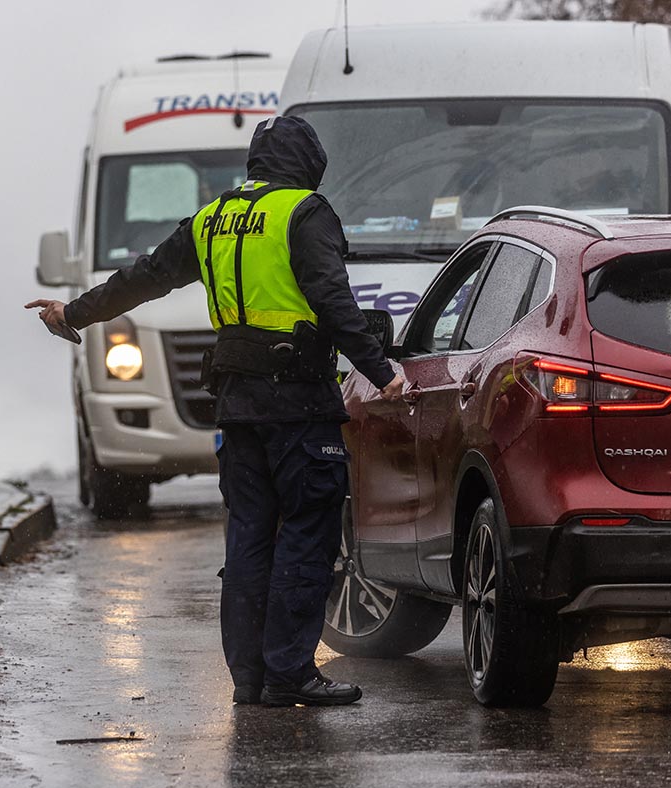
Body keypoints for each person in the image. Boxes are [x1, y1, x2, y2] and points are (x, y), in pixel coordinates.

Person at [27, 117, 404, 707]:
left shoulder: (213, 218)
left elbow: (145, 278)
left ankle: (249, 679)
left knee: (249, 540)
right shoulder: (305, 212)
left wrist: (72, 314)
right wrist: (383, 372)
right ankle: (290, 675)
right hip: (299, 405)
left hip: (236, 406)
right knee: (306, 535)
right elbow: (333, 300)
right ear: (307, 163)